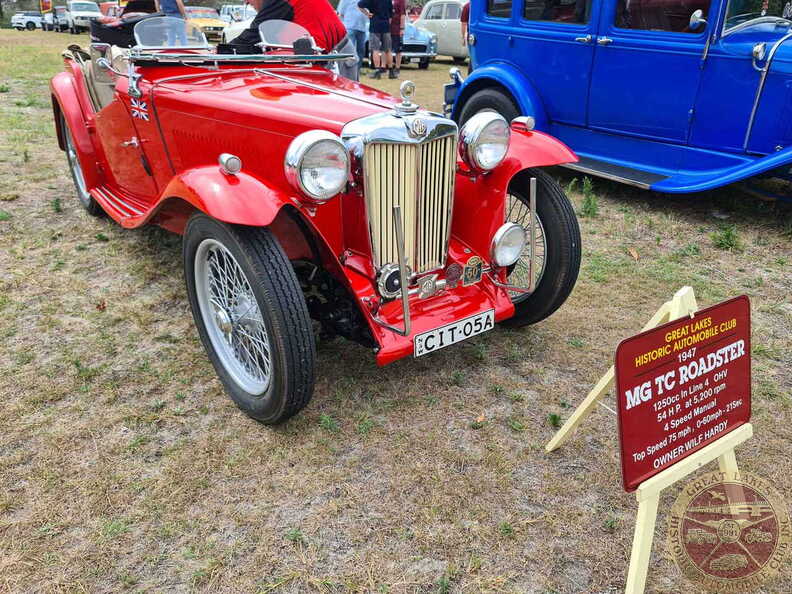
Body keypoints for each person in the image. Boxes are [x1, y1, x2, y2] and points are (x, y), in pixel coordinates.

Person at [230, 0, 347, 53]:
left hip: (334, 53)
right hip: (321, 52)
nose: (246, 2)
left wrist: (222, 51)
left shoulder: (279, 2)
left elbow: (255, 34)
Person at [357, 0, 392, 79]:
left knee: (375, 49)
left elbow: (359, 5)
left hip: (375, 25)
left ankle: (377, 71)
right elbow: (390, 15)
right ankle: (391, 71)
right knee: (388, 50)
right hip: (386, 25)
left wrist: (367, 13)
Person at [337, 0, 368, 77]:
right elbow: (341, 13)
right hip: (350, 26)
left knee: (361, 50)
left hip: (362, 27)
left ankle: (358, 69)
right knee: (351, 51)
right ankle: (349, 69)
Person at [389, 0, 405, 79]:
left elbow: (402, 15)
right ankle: (390, 67)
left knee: (398, 50)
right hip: (388, 29)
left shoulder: (401, 1)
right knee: (388, 49)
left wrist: (402, 28)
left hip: (397, 29)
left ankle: (397, 68)